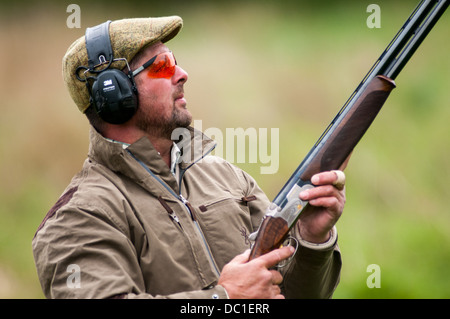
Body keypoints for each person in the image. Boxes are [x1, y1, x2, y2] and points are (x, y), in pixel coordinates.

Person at [32, 16, 345, 299]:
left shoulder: (229, 179)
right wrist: (222, 298)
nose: (182, 74)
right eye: (162, 65)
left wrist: (311, 241)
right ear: (114, 94)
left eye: (175, 62)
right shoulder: (78, 218)